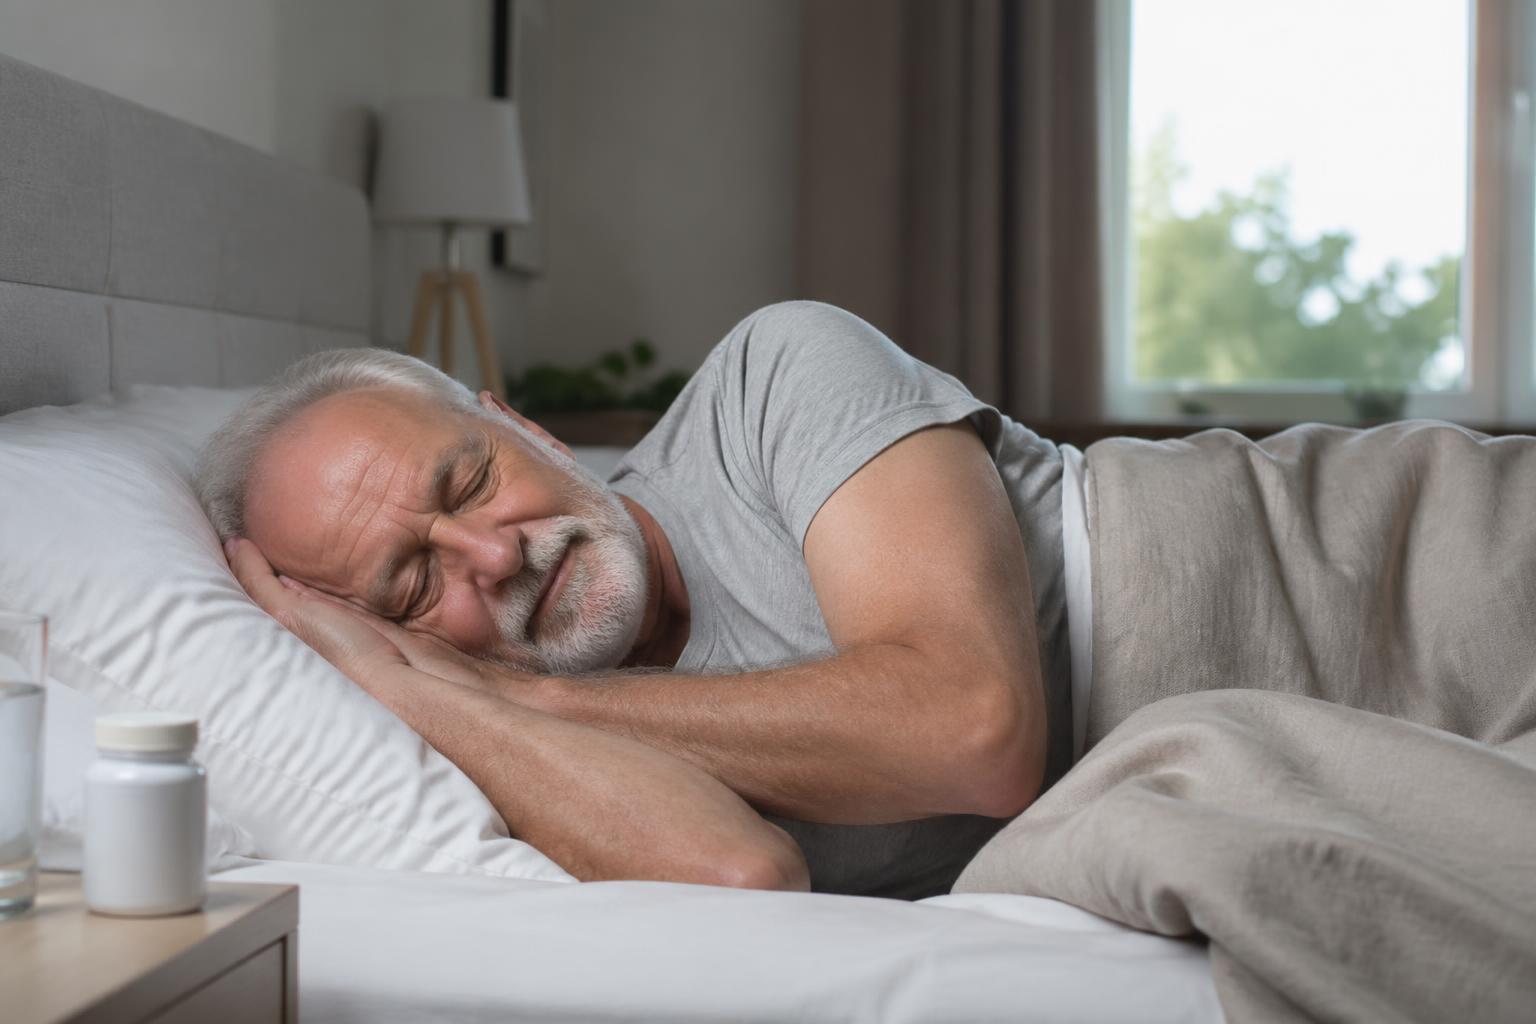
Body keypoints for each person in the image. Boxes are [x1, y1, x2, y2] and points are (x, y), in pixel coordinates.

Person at [196, 300, 1071, 899]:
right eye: (416, 581)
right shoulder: (474, 732)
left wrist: (524, 695)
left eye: (472, 483)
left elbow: (973, 732)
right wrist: (421, 694)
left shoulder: (771, 377)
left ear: (527, 429)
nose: (495, 555)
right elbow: (744, 878)